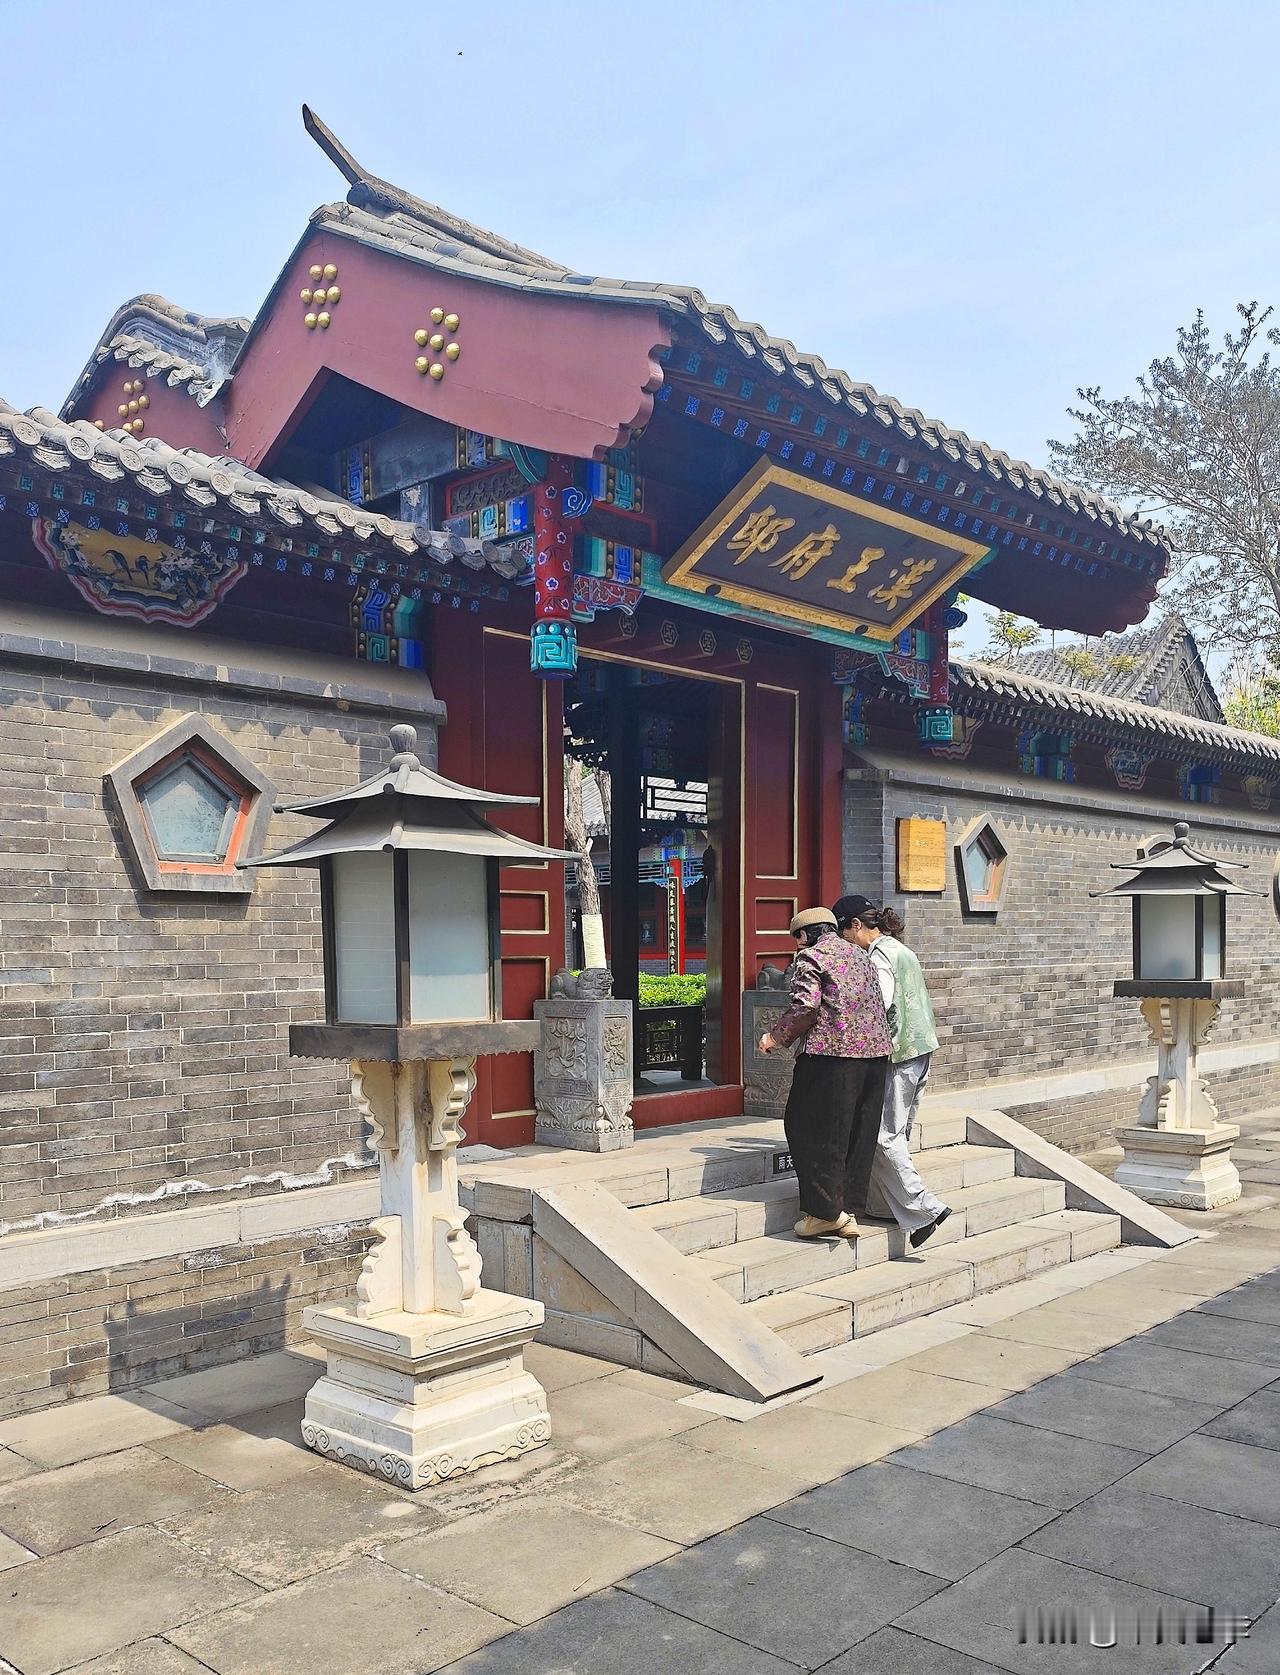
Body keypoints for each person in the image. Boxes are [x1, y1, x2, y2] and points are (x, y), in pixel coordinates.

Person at [759, 908, 891, 1239]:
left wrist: (774, 1037)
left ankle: (824, 1214)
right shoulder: (861, 955)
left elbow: (806, 1007)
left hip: (830, 1057)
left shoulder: (812, 957)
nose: (797, 945)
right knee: (856, 1134)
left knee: (809, 1129)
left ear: (806, 934)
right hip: (875, 1057)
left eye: (798, 938)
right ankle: (847, 1211)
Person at [833, 895, 951, 1249]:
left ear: (856, 926)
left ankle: (927, 1208)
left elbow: (879, 1003)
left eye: (844, 933)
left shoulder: (879, 955)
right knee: (894, 1134)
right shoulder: (902, 950)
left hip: (898, 1055)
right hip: (919, 1049)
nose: (844, 942)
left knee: (884, 1135)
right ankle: (883, 1206)